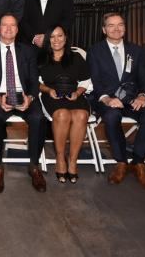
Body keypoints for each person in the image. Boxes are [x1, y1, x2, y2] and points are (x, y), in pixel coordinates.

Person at [87, 12, 145, 191]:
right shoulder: (95, 51)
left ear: (125, 28)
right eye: (111, 25)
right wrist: (107, 98)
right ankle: (121, 163)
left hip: (132, 99)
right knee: (112, 117)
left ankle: (138, 163)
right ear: (104, 30)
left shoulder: (136, 51)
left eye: (120, 25)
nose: (116, 28)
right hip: (107, 99)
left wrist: (143, 96)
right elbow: (94, 81)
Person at [0, 14, 46, 193]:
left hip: (23, 94)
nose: (9, 29)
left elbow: (34, 81)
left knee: (38, 118)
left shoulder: (28, 51)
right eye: (5, 25)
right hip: (0, 95)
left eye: (13, 25)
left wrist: (30, 98)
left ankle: (34, 166)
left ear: (17, 29)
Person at [38, 26, 90, 184]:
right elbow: (35, 82)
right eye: (52, 37)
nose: (56, 40)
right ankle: (60, 158)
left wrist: (78, 93)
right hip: (51, 96)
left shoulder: (76, 57)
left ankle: (72, 160)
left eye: (60, 36)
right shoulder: (41, 58)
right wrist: (48, 90)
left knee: (81, 115)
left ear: (66, 38)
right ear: (48, 40)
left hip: (74, 95)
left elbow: (86, 80)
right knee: (63, 114)